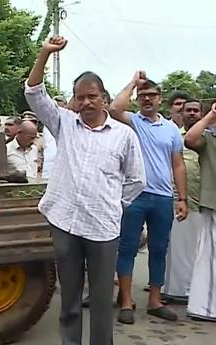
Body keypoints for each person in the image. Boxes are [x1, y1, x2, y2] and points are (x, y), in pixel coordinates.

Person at [25, 36, 145, 345]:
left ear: (104, 97)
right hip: (65, 223)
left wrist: (113, 205)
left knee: (102, 300)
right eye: (80, 97)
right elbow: (34, 94)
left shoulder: (124, 136)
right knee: (70, 299)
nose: (86, 102)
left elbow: (135, 180)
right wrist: (44, 53)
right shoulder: (64, 123)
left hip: (103, 228)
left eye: (92, 96)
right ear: (74, 100)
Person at [110, 71, 188, 324]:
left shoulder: (171, 130)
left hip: (163, 197)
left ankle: (155, 301)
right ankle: (125, 301)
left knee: (158, 249)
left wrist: (182, 198)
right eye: (142, 96)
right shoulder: (134, 122)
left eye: (151, 95)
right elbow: (114, 108)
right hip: (134, 195)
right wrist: (133, 81)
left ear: (159, 98)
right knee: (127, 248)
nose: (146, 99)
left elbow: (178, 164)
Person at [161, 99, 204, 304]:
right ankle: (176, 291)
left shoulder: (207, 138)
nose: (193, 114)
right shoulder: (175, 137)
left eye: (196, 110)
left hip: (204, 202)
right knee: (177, 249)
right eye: (189, 110)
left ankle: (197, 291)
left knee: (199, 251)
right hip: (180, 201)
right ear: (182, 113)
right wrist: (180, 197)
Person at [185, 103, 216, 322]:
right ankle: (204, 308)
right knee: (209, 259)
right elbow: (189, 139)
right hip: (213, 205)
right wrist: (211, 115)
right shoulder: (209, 139)